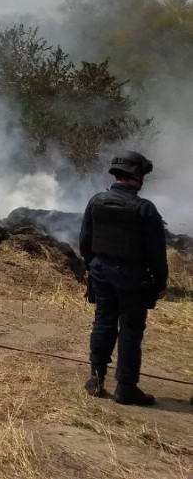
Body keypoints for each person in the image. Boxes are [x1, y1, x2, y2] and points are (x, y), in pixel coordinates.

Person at [79, 151, 168, 406]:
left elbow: (85, 240)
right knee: (130, 331)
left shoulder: (96, 201)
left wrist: (91, 267)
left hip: (101, 275)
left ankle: (96, 381)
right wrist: (160, 284)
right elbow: (156, 254)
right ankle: (126, 389)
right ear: (138, 176)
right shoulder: (145, 209)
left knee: (103, 322)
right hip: (132, 280)